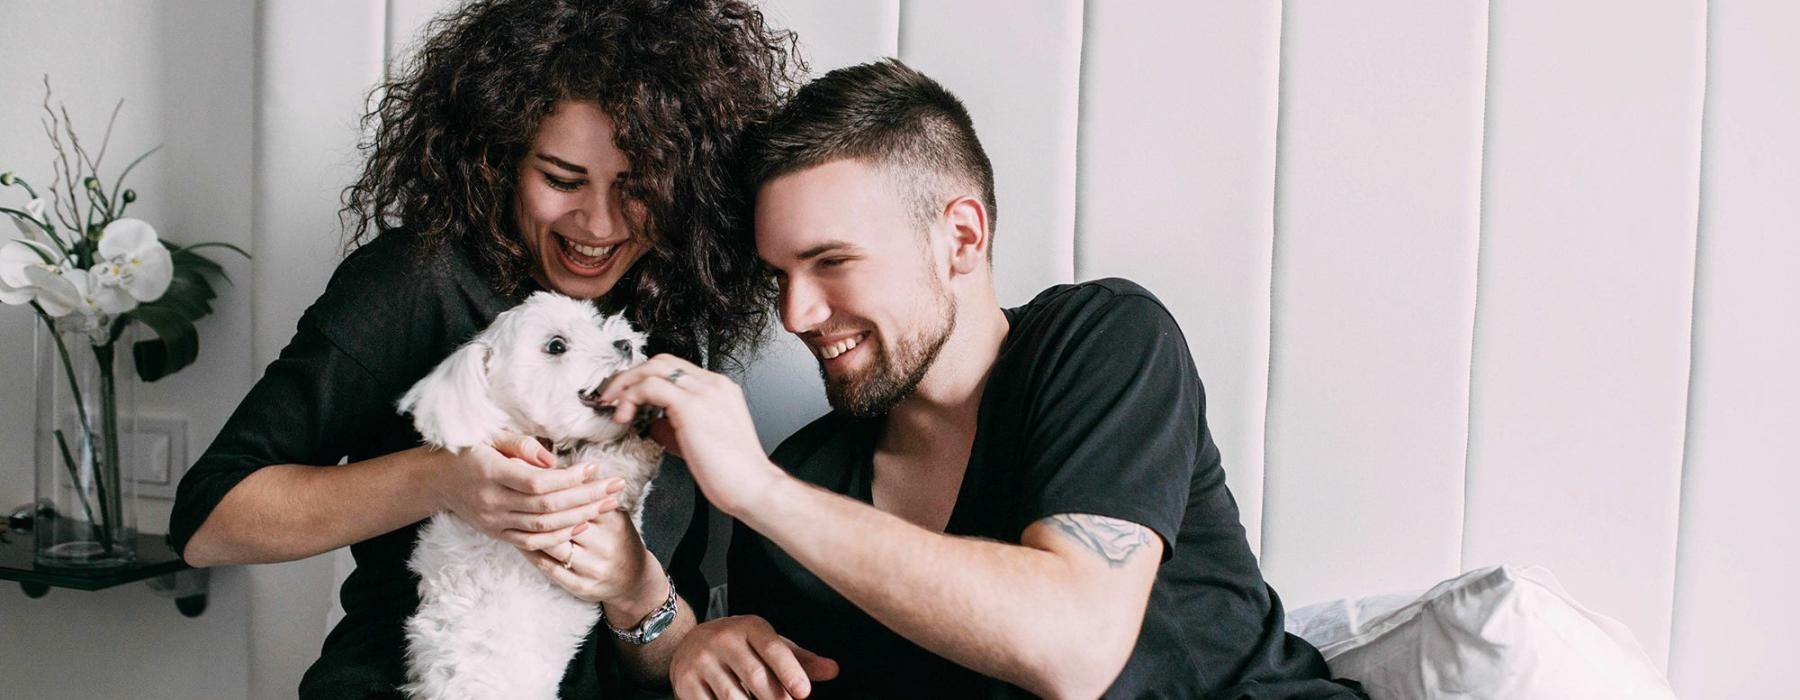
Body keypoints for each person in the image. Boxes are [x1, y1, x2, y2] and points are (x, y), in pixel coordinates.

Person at [591, 59, 1368, 698]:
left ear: (961, 236)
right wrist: (709, 643)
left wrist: (759, 491)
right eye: (780, 276)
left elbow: (1076, 648)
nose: (795, 313)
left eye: (831, 261)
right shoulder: (806, 483)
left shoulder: (1101, 340)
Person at [166, 1, 798, 696]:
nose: (598, 223)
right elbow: (208, 522)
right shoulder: (421, 281)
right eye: (561, 179)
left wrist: (635, 587)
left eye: (638, 188)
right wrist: (441, 479)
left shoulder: (666, 330)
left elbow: (659, 658)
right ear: (500, 159)